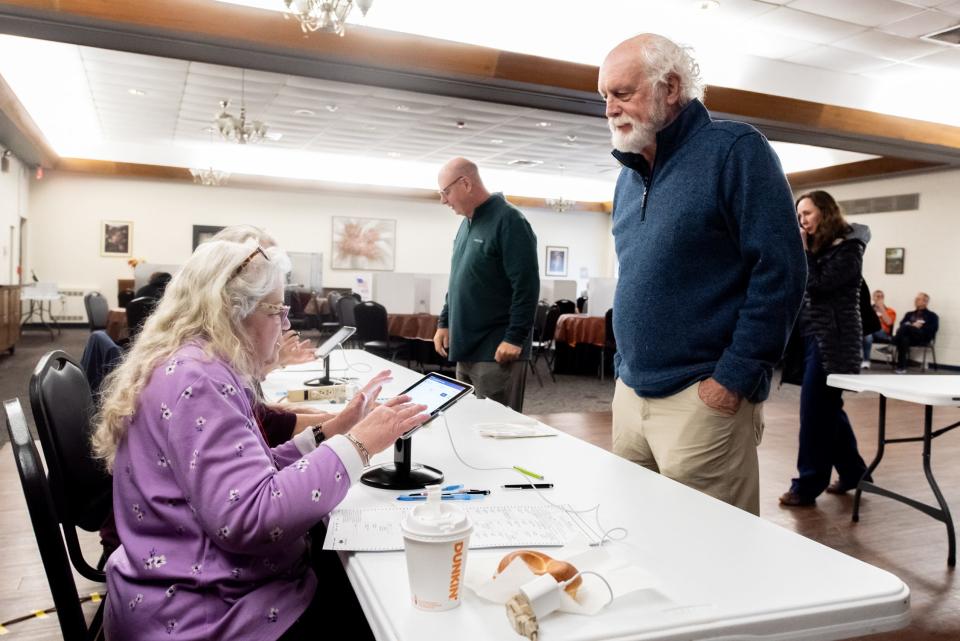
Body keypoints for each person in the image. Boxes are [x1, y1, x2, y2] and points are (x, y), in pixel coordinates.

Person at [92, 239, 429, 640]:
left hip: (177, 590)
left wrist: (330, 432)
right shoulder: (200, 380)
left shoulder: (189, 363)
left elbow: (249, 474)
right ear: (235, 312)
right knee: (386, 608)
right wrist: (358, 445)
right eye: (278, 312)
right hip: (209, 613)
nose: (286, 325)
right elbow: (250, 518)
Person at [599, 34, 807, 515]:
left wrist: (733, 378)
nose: (610, 109)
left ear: (670, 87)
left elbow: (782, 272)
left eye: (622, 93)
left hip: (702, 397)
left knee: (710, 555)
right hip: (631, 392)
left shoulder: (735, 151)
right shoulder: (629, 175)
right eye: (604, 97)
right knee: (634, 533)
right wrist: (624, 370)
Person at [779, 191, 871, 507]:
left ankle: (807, 485)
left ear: (826, 212)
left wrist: (803, 252)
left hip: (834, 343)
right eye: (799, 215)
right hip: (811, 339)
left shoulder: (848, 249)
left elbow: (817, 284)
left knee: (815, 414)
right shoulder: (820, 249)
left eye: (806, 213)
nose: (801, 220)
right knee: (829, 411)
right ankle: (855, 473)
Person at [433, 157, 539, 411]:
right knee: (467, 427)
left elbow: (526, 286)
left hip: (496, 350)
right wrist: (444, 322)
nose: (443, 200)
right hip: (466, 348)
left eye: (445, 192)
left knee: (495, 431)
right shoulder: (466, 224)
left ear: (466, 183)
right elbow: (457, 278)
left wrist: (515, 338)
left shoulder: (509, 221)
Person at [893, 292, 939, 373]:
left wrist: (918, 327)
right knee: (904, 339)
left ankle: (891, 344)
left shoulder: (932, 316)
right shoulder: (909, 314)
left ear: (925, 302)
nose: (915, 300)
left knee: (906, 328)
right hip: (909, 337)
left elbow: (932, 330)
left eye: (918, 299)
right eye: (916, 299)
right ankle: (901, 368)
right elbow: (901, 325)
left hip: (923, 337)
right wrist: (912, 325)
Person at [862, 289, 896, 369]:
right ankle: (866, 361)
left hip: (883, 334)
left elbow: (889, 322)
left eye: (881, 296)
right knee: (868, 335)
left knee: (871, 330)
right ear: (873, 298)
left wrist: (881, 308)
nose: (879, 298)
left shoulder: (890, 311)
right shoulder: (868, 310)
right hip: (870, 333)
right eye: (877, 296)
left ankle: (865, 360)